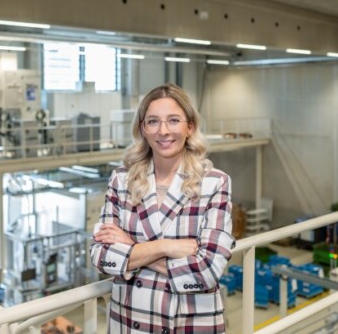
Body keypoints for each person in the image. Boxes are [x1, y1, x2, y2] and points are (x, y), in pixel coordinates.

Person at [90, 83, 234, 333]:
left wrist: (132, 250)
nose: (164, 131)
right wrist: (166, 247)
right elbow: (101, 256)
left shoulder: (214, 183)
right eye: (153, 121)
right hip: (130, 320)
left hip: (190, 322)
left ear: (190, 127)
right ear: (143, 129)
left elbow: (207, 271)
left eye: (174, 120)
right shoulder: (121, 180)